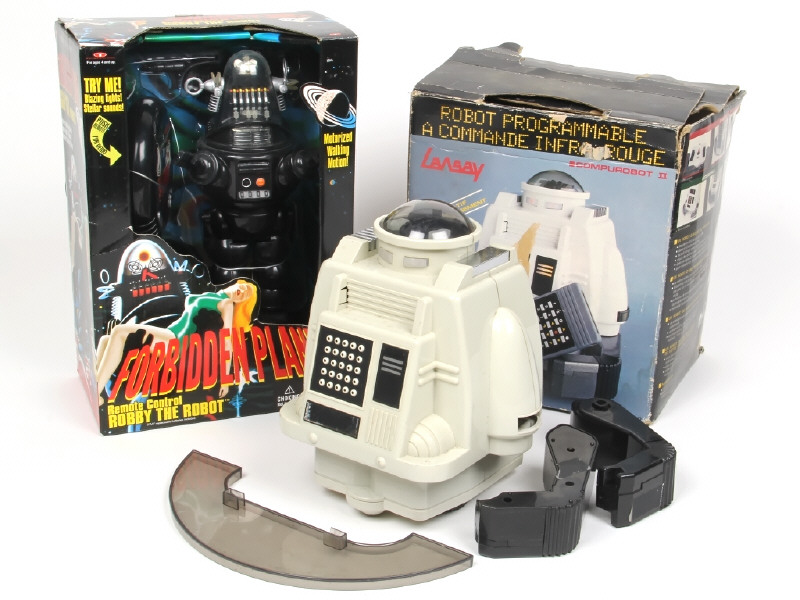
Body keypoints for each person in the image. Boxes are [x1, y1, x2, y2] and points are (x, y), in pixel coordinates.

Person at [95, 280, 257, 402]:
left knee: (119, 331)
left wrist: (225, 380)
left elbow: (227, 341)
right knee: (105, 340)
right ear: (237, 283)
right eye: (244, 288)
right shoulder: (214, 295)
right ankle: (94, 384)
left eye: (245, 296)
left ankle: (97, 391)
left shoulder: (226, 304)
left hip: (176, 342)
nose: (242, 292)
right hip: (170, 333)